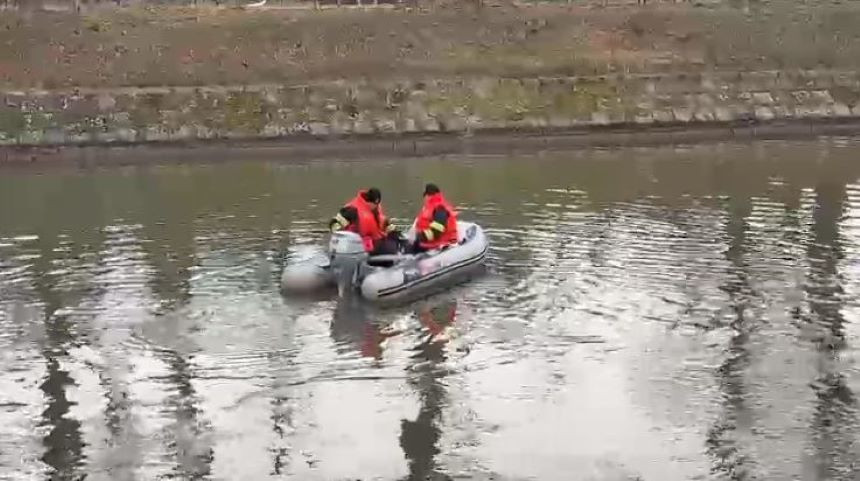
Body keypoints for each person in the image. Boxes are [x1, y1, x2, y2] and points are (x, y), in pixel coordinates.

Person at [329, 187, 401, 255]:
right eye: (374, 204)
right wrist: (338, 231)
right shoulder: (353, 209)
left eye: (377, 204)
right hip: (361, 246)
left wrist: (391, 229)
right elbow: (335, 222)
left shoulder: (376, 210)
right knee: (391, 249)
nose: (376, 206)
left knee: (398, 239)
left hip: (375, 242)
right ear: (369, 201)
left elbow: (384, 222)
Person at [411, 183, 458, 254]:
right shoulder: (430, 207)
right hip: (427, 242)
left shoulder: (440, 208)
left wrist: (421, 236)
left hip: (438, 244)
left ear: (427, 195)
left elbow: (437, 230)